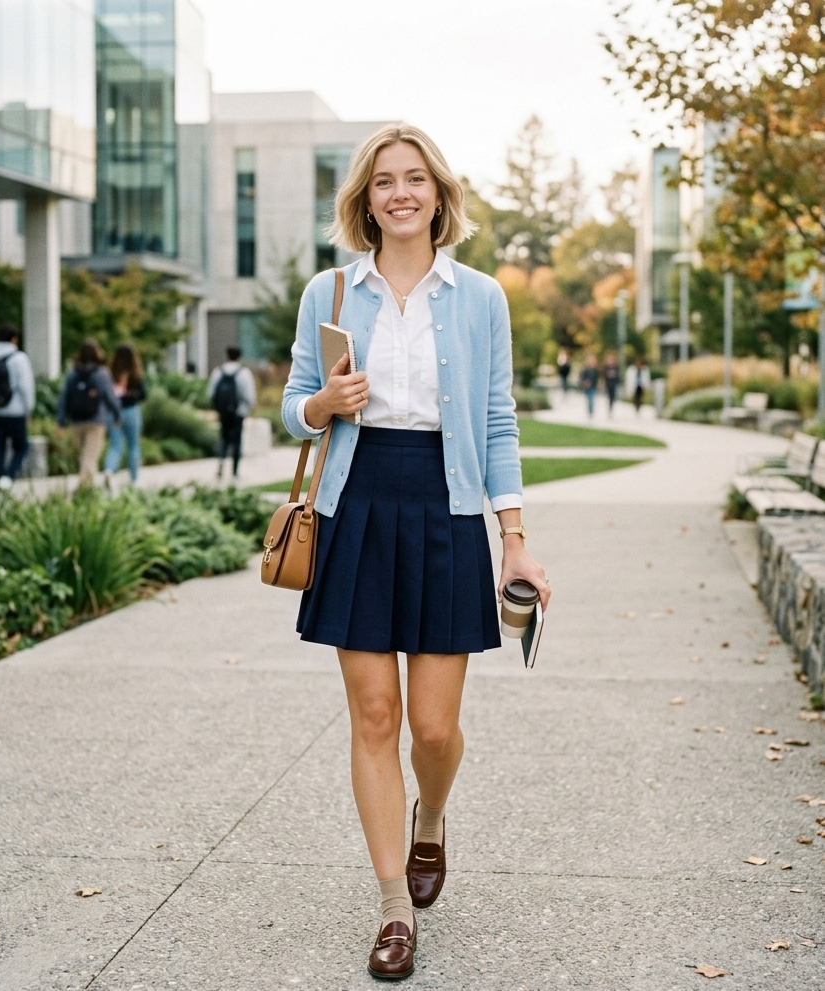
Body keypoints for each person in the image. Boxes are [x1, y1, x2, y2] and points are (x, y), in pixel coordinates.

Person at [281, 124, 550, 980]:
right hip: (357, 504)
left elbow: (498, 421)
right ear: (364, 200)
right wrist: (324, 400)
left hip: (443, 503)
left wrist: (513, 539)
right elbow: (292, 406)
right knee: (374, 718)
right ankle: (395, 906)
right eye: (383, 182)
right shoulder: (329, 290)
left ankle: (431, 813)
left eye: (415, 179)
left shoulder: (477, 297)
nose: (399, 193)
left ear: (438, 193)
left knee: (432, 726)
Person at [57, 339, 121, 489]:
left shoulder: (73, 374)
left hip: (77, 422)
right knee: (89, 459)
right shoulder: (102, 373)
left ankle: (89, 491)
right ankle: (83, 492)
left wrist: (60, 422)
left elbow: (64, 398)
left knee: (85, 459)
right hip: (96, 422)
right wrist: (118, 415)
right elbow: (110, 397)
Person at [0, 324, 36, 490]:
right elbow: (26, 387)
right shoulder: (19, 358)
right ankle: (9, 476)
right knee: (21, 446)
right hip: (14, 411)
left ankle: (0, 478)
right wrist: (28, 409)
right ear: (14, 339)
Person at [209, 346, 256, 480]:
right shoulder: (244, 373)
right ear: (239, 356)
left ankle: (221, 463)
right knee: (237, 440)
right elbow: (249, 396)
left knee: (223, 438)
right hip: (238, 412)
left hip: (223, 412)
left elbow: (211, 393)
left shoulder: (218, 371)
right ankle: (235, 471)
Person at [104, 343, 146, 485]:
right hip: (131, 410)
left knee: (115, 445)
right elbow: (143, 394)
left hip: (113, 413)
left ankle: (110, 470)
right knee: (133, 446)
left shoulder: (110, 373)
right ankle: (134, 479)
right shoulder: (135, 374)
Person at [579, 353, 599, 418]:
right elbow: (582, 377)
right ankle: (589, 412)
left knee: (592, 399)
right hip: (587, 387)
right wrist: (585, 382)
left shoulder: (595, 370)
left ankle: (591, 412)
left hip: (593, 386)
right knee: (588, 400)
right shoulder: (585, 370)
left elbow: (597, 378)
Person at [603, 352, 620, 416]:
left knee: (613, 397)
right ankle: (609, 407)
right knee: (609, 396)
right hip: (608, 384)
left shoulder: (616, 367)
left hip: (614, 383)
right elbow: (604, 376)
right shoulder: (606, 367)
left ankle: (611, 407)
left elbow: (618, 376)